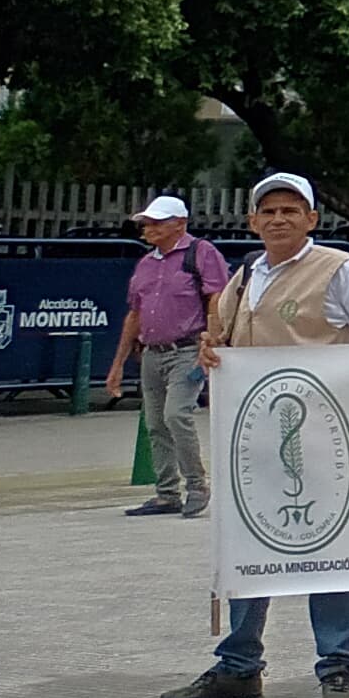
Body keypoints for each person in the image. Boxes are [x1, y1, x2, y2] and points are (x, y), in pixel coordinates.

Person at [159, 174, 349, 698]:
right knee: (247, 549)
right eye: (267, 211)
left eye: (290, 210)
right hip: (253, 440)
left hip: (325, 438)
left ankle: (338, 667)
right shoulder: (246, 275)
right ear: (252, 221)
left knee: (334, 552)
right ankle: (238, 667)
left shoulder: (340, 271)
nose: (278, 219)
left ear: (312, 219)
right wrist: (209, 350)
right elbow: (220, 338)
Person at [103, 191, 229, 519]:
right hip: (152, 352)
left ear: (180, 224)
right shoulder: (146, 264)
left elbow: (217, 296)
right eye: (147, 223)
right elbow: (135, 314)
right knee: (156, 423)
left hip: (188, 349)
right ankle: (167, 492)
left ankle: (196, 484)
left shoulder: (201, 253)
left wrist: (213, 338)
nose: (149, 228)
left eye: (158, 222)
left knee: (175, 415)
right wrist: (118, 364)